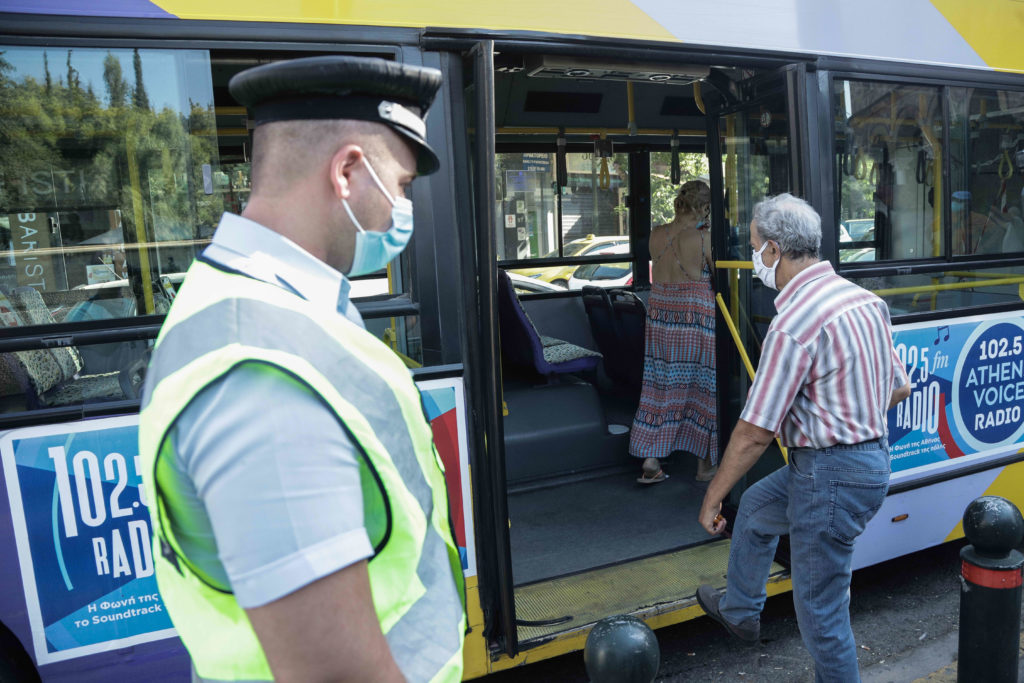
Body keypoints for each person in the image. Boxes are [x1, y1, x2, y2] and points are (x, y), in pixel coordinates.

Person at [137, 56, 466, 682]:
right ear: (347, 171)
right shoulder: (258, 368)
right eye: (400, 186)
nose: (403, 208)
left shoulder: (268, 312)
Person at [695, 193, 911, 682]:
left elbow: (754, 431)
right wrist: (847, 416)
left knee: (822, 613)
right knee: (755, 510)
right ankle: (740, 609)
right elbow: (899, 387)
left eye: (753, 247)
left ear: (774, 251)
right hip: (866, 463)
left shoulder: (793, 324)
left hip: (829, 477)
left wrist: (712, 496)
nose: (752, 258)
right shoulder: (865, 301)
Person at [630, 179, 719, 483]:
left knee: (659, 387)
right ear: (705, 207)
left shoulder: (656, 234)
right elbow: (720, 275)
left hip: (660, 319)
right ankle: (705, 465)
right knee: (703, 388)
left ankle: (652, 459)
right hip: (695, 318)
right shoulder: (703, 238)